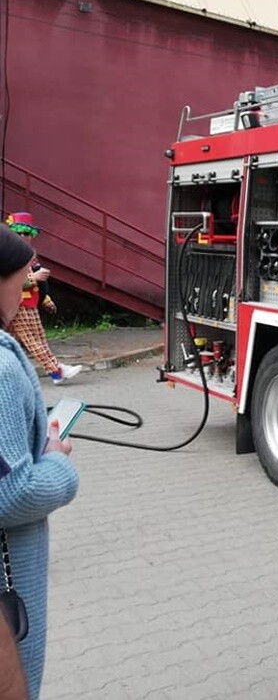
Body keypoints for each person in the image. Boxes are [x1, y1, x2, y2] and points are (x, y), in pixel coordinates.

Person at [0, 224, 79, 700]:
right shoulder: (3, 370)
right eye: (20, 280)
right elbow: (11, 494)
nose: (24, 291)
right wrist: (56, 461)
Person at [4, 213, 81, 386]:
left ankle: (13, 373)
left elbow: (38, 285)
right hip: (18, 304)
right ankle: (56, 371)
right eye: (18, 233)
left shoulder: (29, 255)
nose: (23, 237)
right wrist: (34, 278)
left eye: (26, 233)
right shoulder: (9, 255)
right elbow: (8, 282)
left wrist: (45, 298)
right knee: (34, 341)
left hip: (27, 303)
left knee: (16, 341)